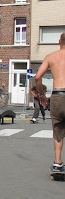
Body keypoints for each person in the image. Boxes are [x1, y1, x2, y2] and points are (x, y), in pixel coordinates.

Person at [35, 32, 65, 172]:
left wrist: (41, 95)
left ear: (59, 41)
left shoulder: (51, 57)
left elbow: (37, 77)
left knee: (58, 129)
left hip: (58, 96)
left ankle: (58, 163)